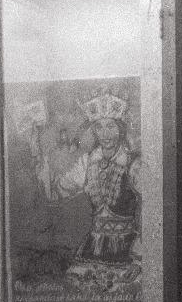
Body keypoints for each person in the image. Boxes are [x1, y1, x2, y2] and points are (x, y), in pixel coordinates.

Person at [53, 89, 142, 264]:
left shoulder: (134, 163)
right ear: (94, 131)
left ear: (120, 129)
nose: (105, 134)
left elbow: (150, 205)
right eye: (99, 127)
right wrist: (38, 155)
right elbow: (58, 191)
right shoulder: (88, 162)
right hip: (92, 247)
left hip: (128, 248)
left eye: (110, 126)